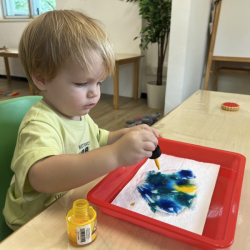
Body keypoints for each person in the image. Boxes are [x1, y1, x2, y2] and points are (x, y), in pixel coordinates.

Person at [3, 10, 161, 231]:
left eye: (99, 83)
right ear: (41, 78)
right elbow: (41, 177)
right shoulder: (40, 124)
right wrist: (115, 155)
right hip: (35, 220)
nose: (94, 94)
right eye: (81, 83)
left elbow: (98, 138)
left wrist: (122, 136)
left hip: (72, 204)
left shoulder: (76, 112)